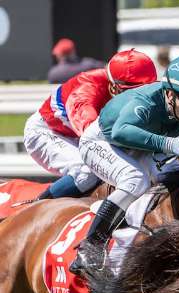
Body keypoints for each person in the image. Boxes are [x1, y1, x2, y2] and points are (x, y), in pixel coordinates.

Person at [70, 54, 179, 275]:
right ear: (169, 93)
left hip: (139, 147)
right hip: (103, 142)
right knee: (135, 179)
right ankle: (91, 246)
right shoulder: (146, 101)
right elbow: (121, 131)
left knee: (173, 174)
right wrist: (169, 143)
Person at [24, 49, 157, 201]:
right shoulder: (85, 93)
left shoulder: (127, 87)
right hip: (48, 132)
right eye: (131, 93)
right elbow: (92, 140)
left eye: (146, 90)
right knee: (87, 171)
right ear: (113, 87)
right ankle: (38, 204)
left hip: (81, 134)